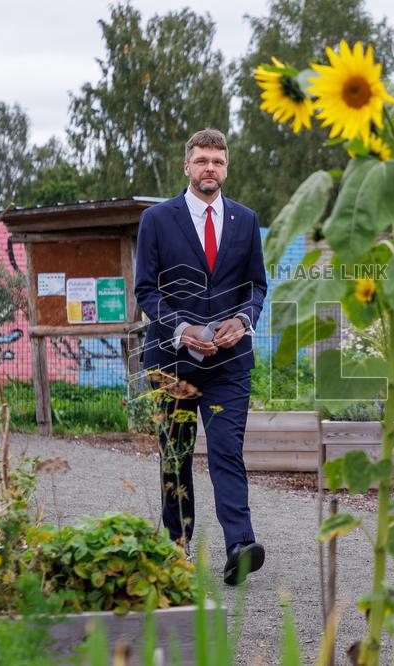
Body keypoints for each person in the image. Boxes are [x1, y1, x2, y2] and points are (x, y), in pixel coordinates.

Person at [134, 128, 267, 585]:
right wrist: (182, 328)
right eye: (202, 160)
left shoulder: (245, 221)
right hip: (171, 361)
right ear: (187, 166)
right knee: (176, 455)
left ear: (226, 167)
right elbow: (145, 290)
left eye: (218, 161)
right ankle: (177, 547)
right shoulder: (156, 219)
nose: (210, 168)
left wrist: (243, 321)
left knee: (227, 451)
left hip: (229, 364)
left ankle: (239, 545)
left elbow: (257, 287)